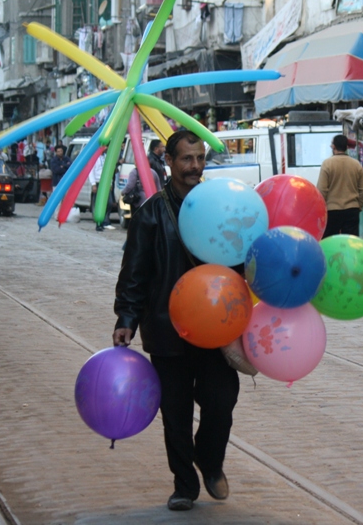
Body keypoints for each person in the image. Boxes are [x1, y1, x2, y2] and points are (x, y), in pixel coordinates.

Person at [113, 130, 238, 511]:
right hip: (168, 329)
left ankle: (209, 460)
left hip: (215, 328)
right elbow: (134, 273)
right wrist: (127, 318)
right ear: (169, 162)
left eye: (200, 158)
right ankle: (184, 485)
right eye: (187, 159)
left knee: (221, 400)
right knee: (176, 414)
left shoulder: (220, 207)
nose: (195, 167)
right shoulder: (151, 213)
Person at [317, 134, 363, 236]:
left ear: (334, 147)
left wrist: (321, 209)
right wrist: (358, 206)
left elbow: (322, 190)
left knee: (331, 243)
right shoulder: (356, 164)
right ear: (346, 147)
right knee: (351, 243)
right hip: (352, 210)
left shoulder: (327, 164)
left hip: (332, 211)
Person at [88, 152, 115, 231]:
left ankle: (106, 221)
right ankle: (99, 223)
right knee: (98, 203)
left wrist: (110, 183)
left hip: (106, 181)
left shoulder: (106, 156)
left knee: (109, 202)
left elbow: (109, 170)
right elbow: (91, 171)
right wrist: (93, 184)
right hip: (98, 182)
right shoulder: (94, 158)